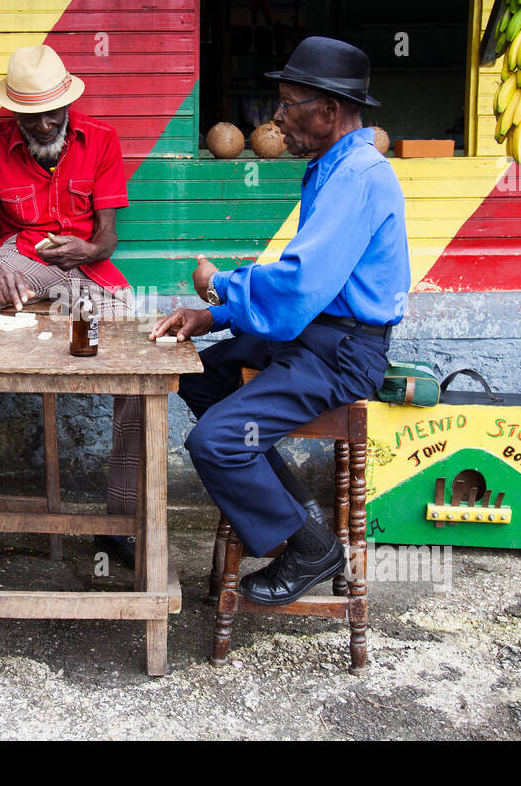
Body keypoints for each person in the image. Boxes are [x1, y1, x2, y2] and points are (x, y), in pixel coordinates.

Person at [150, 37, 410, 605]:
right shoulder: (332, 167)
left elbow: (297, 287)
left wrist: (220, 285)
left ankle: (309, 545)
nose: (278, 117)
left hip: (340, 351)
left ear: (330, 110)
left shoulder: (359, 176)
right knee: (201, 375)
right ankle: (299, 513)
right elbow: (303, 286)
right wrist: (212, 316)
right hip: (316, 335)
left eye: (289, 103)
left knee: (215, 443)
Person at [0, 45, 141, 565]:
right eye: (31, 116)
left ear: (67, 104)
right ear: (15, 112)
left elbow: (107, 239)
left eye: (52, 114)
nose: (43, 125)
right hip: (18, 257)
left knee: (139, 355)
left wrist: (87, 250)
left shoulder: (101, 139)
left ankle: (121, 516)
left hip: (85, 267)